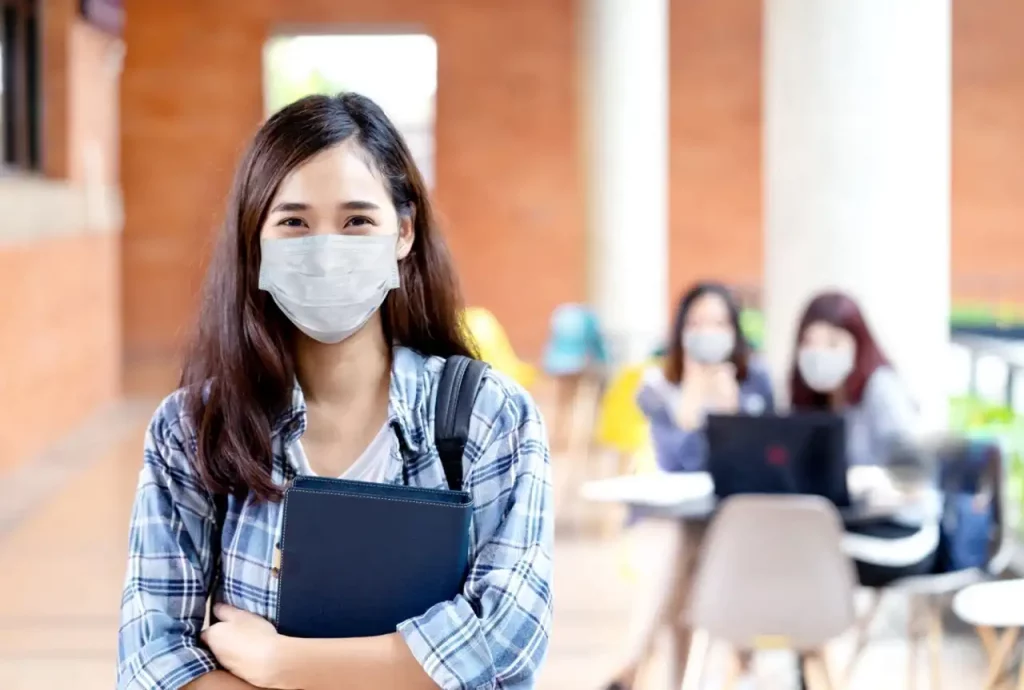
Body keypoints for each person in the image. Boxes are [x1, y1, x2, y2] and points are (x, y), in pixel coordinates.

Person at [116, 93, 554, 690]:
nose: (325, 251)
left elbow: (506, 645)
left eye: (357, 221)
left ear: (403, 233)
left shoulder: (489, 417)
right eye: (294, 222)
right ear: (255, 240)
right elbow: (151, 664)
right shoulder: (192, 430)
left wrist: (281, 665)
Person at [603, 282, 774, 690]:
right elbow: (678, 465)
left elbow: (758, 461)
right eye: (697, 323)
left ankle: (631, 669)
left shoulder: (757, 380)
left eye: (718, 323)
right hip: (677, 518)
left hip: (739, 520)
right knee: (676, 541)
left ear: (735, 331)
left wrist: (733, 412)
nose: (707, 333)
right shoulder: (657, 385)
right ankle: (645, 668)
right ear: (680, 330)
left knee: (683, 559)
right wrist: (691, 404)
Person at [789, 291, 938, 587]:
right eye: (809, 343)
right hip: (844, 525)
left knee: (799, 555)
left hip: (901, 530)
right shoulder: (818, 402)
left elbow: (917, 480)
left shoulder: (881, 388)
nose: (819, 353)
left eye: (832, 343)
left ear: (858, 344)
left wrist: (864, 482)